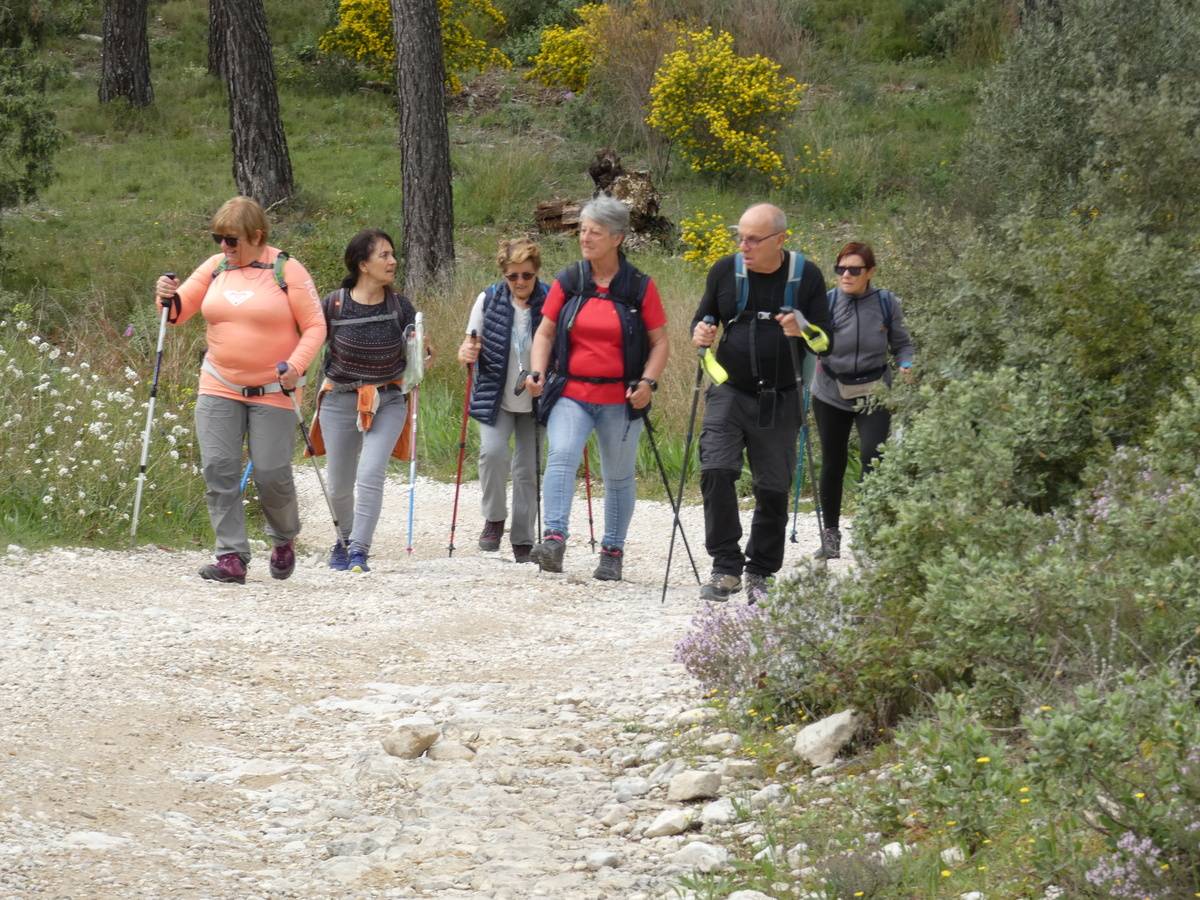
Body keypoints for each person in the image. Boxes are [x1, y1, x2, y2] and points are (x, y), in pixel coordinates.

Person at [154, 196, 326, 585]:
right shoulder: (215, 268)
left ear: (257, 236)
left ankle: (283, 538)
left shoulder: (287, 270)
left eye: (232, 240)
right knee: (219, 469)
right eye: (219, 238)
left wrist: (295, 367)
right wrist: (166, 294)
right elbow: (178, 313)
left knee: (271, 473)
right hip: (219, 384)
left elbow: (315, 326)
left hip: (273, 389)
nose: (224, 247)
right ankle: (231, 556)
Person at [691, 202, 832, 604]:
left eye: (753, 239)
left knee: (773, 488)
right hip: (729, 391)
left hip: (780, 396)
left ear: (780, 239)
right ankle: (725, 567)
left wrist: (802, 326)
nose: (744, 245)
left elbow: (827, 340)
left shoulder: (806, 277)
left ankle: (761, 571)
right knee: (716, 470)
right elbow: (704, 319)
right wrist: (701, 333)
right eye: (741, 236)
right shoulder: (725, 271)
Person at [524, 195, 670, 582]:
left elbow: (660, 343)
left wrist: (648, 383)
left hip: (620, 398)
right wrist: (537, 371)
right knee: (562, 454)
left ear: (617, 238)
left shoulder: (640, 286)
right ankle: (554, 539)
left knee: (618, 474)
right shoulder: (569, 280)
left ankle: (612, 551)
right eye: (583, 230)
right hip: (571, 392)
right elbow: (545, 332)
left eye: (595, 232)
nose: (585, 238)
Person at [311, 229, 418, 574]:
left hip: (388, 398)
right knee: (339, 484)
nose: (393, 261)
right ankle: (343, 538)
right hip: (340, 399)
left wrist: (421, 354)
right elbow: (312, 345)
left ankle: (359, 549)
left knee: (370, 472)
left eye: (392, 254)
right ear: (363, 265)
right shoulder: (335, 304)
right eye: (384, 255)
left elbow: (415, 353)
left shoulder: (400, 306)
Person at [811, 241, 914, 560]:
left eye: (854, 269)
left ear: (870, 272)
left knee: (873, 457)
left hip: (875, 391)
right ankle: (831, 536)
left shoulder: (886, 303)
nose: (846, 275)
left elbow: (902, 344)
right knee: (833, 462)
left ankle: (869, 530)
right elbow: (811, 342)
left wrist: (906, 364)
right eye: (840, 269)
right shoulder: (825, 303)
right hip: (830, 391)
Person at [457, 238, 549, 563]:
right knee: (492, 454)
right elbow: (467, 347)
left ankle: (523, 537)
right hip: (496, 394)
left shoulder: (552, 301)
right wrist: (467, 353)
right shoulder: (489, 299)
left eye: (527, 275)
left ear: (536, 272)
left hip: (537, 399)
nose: (520, 283)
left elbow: (564, 353)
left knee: (527, 469)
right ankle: (494, 518)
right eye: (513, 276)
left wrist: (546, 381)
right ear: (504, 275)